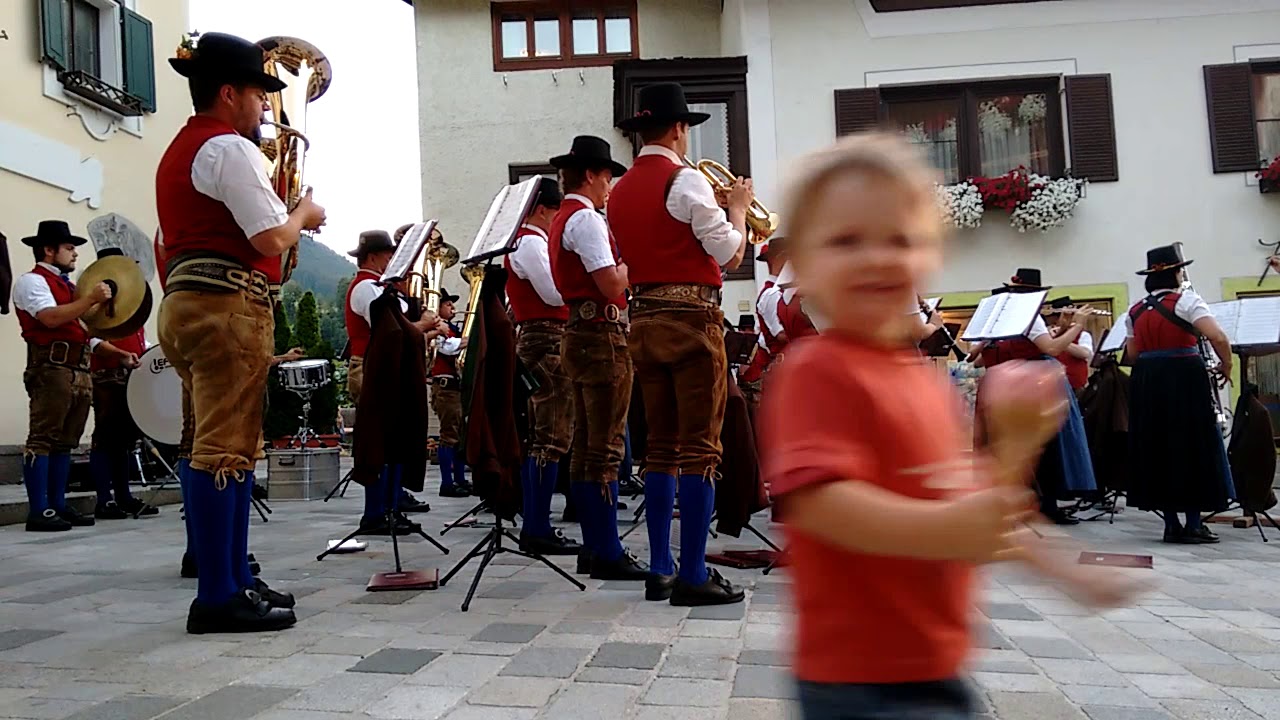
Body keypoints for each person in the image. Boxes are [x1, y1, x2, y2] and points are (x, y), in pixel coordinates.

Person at [761, 132, 1141, 720]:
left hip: (937, 663)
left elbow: (976, 505)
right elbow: (820, 504)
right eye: (845, 240)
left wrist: (1066, 566)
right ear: (803, 265)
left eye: (899, 238)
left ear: (928, 257)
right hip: (858, 678)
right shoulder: (816, 371)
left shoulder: (921, 381)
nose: (876, 256)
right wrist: (946, 525)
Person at [157, 32, 327, 633]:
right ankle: (218, 593)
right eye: (259, 93)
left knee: (223, 446)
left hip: (191, 302)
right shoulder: (227, 149)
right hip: (226, 305)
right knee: (222, 452)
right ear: (229, 93)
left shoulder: (183, 147)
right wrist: (304, 213)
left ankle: (233, 577)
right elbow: (270, 240)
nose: (264, 106)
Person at [609, 83, 752, 606]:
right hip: (692, 320)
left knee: (660, 448)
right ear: (678, 129)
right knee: (698, 448)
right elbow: (730, 252)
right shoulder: (685, 179)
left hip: (643, 320)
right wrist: (736, 207)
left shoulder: (619, 191)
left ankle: (661, 568)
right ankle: (693, 573)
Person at [547, 134, 649, 582]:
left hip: (578, 330)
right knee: (605, 446)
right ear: (590, 174)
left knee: (587, 446)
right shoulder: (586, 220)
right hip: (601, 332)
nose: (609, 185)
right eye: (607, 176)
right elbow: (611, 284)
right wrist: (637, 262)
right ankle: (606, 548)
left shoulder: (563, 218)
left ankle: (595, 545)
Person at [13, 221, 140, 532]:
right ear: (49, 250)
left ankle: (56, 504)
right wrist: (90, 300)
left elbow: (86, 334)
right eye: (69, 248)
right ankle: (38, 508)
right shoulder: (32, 281)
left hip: (77, 367)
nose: (74, 255)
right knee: (43, 438)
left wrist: (119, 353)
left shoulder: (70, 288)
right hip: (51, 366)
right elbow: (51, 318)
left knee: (65, 442)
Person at [1124, 245, 1236, 544]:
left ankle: (1171, 524)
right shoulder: (1188, 302)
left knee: (1157, 446)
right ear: (1176, 272)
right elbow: (1217, 336)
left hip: (1147, 380)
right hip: (1183, 374)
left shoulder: (1134, 311)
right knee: (1192, 444)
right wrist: (1226, 364)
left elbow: (1132, 354)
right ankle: (1194, 523)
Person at [967, 269, 1097, 525]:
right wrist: (1079, 325)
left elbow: (974, 357)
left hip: (995, 385)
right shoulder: (1030, 318)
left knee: (997, 446)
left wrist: (1060, 327)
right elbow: (1051, 348)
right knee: (1045, 446)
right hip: (1028, 383)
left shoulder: (996, 320)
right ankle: (1045, 505)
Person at [344, 229, 442, 525]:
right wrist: (423, 325)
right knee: (379, 439)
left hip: (385, 365)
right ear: (373, 256)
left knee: (393, 437)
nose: (392, 261)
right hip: (370, 366)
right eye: (389, 255)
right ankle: (376, 511)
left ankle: (389, 505)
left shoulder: (377, 287)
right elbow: (388, 330)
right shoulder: (365, 288)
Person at [505, 177, 581, 555]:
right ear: (541, 210)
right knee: (551, 434)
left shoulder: (524, 240)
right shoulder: (531, 241)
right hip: (546, 336)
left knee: (544, 434)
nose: (557, 221)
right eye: (555, 213)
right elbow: (553, 291)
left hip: (539, 335)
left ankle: (536, 519)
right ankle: (537, 525)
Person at [86, 248, 156, 520]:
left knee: (125, 441)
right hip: (107, 375)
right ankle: (105, 499)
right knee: (105, 439)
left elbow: (141, 342)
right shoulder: (93, 303)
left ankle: (124, 496)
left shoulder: (130, 304)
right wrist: (121, 355)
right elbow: (90, 341)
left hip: (129, 376)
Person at [430, 289, 472, 498]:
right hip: (444, 387)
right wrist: (471, 337)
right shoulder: (436, 329)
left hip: (455, 387)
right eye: (448, 305)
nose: (453, 309)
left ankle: (460, 480)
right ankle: (447, 483)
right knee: (448, 435)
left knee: (459, 435)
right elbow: (448, 348)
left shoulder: (452, 328)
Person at [1044, 297, 1094, 394]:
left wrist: (1061, 341)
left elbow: (1085, 353)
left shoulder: (1083, 334)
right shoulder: (1046, 334)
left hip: (1076, 387)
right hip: (1052, 387)